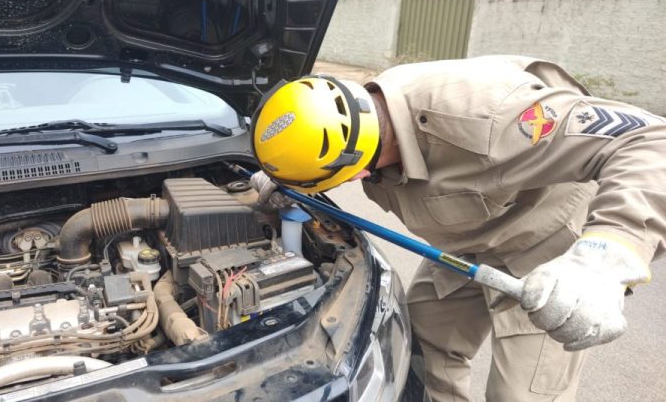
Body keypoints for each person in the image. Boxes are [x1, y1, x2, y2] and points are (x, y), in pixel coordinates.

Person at [248, 55, 665, 401]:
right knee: (421, 350)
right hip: (467, 240)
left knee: (522, 394)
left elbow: (650, 141)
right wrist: (287, 178)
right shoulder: (348, 124)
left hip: (547, 247)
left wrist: (606, 256)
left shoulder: (491, 117)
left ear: (356, 174)